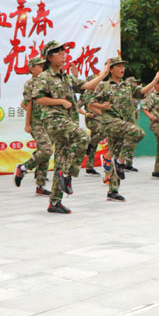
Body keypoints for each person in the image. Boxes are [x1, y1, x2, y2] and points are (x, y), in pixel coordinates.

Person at [35, 41, 108, 213]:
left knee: (61, 159)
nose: (63, 54)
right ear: (49, 57)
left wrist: (103, 74)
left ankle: (55, 202)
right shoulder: (44, 77)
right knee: (83, 136)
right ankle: (68, 174)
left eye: (64, 52)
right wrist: (61, 101)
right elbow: (39, 99)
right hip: (54, 120)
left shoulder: (66, 77)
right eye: (58, 52)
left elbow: (85, 86)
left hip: (68, 121)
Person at [91, 58, 159, 200]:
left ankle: (113, 190)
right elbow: (91, 103)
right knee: (138, 132)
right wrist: (103, 109)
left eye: (123, 66)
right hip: (112, 123)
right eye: (118, 66)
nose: (122, 68)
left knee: (116, 153)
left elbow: (142, 91)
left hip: (125, 124)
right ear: (111, 69)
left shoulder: (128, 86)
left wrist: (155, 81)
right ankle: (121, 161)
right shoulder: (104, 86)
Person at [15, 56, 54, 194]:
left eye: (43, 65)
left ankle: (40, 185)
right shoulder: (30, 84)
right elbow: (27, 103)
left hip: (48, 121)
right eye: (39, 66)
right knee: (46, 150)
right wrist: (28, 123)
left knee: (45, 152)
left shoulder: (48, 80)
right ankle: (24, 168)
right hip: (37, 122)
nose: (42, 67)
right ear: (32, 69)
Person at [78, 79, 104, 177]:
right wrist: (86, 113)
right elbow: (76, 107)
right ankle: (89, 143)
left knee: (94, 144)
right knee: (103, 131)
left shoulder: (99, 93)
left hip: (101, 118)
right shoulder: (85, 95)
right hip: (91, 120)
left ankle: (89, 167)